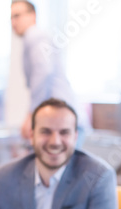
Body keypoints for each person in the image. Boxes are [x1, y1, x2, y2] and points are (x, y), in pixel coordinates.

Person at [10, 0, 92, 143]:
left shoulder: (34, 36)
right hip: (64, 119)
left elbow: (43, 71)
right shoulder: (36, 37)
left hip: (64, 120)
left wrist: (32, 114)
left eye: (17, 16)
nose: (13, 22)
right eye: (11, 17)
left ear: (32, 16)